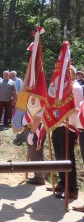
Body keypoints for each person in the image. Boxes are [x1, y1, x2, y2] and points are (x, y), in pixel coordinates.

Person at [49, 65, 83, 200]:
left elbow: (75, 108)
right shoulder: (63, 88)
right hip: (59, 123)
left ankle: (72, 187)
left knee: (67, 157)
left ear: (71, 75)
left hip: (69, 124)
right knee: (59, 155)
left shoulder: (75, 88)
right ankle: (63, 182)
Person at [24, 96, 46, 185]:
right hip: (35, 126)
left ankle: (39, 177)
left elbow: (38, 116)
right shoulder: (37, 95)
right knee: (38, 152)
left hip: (35, 127)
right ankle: (41, 175)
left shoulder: (37, 96)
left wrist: (32, 132)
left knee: (34, 153)